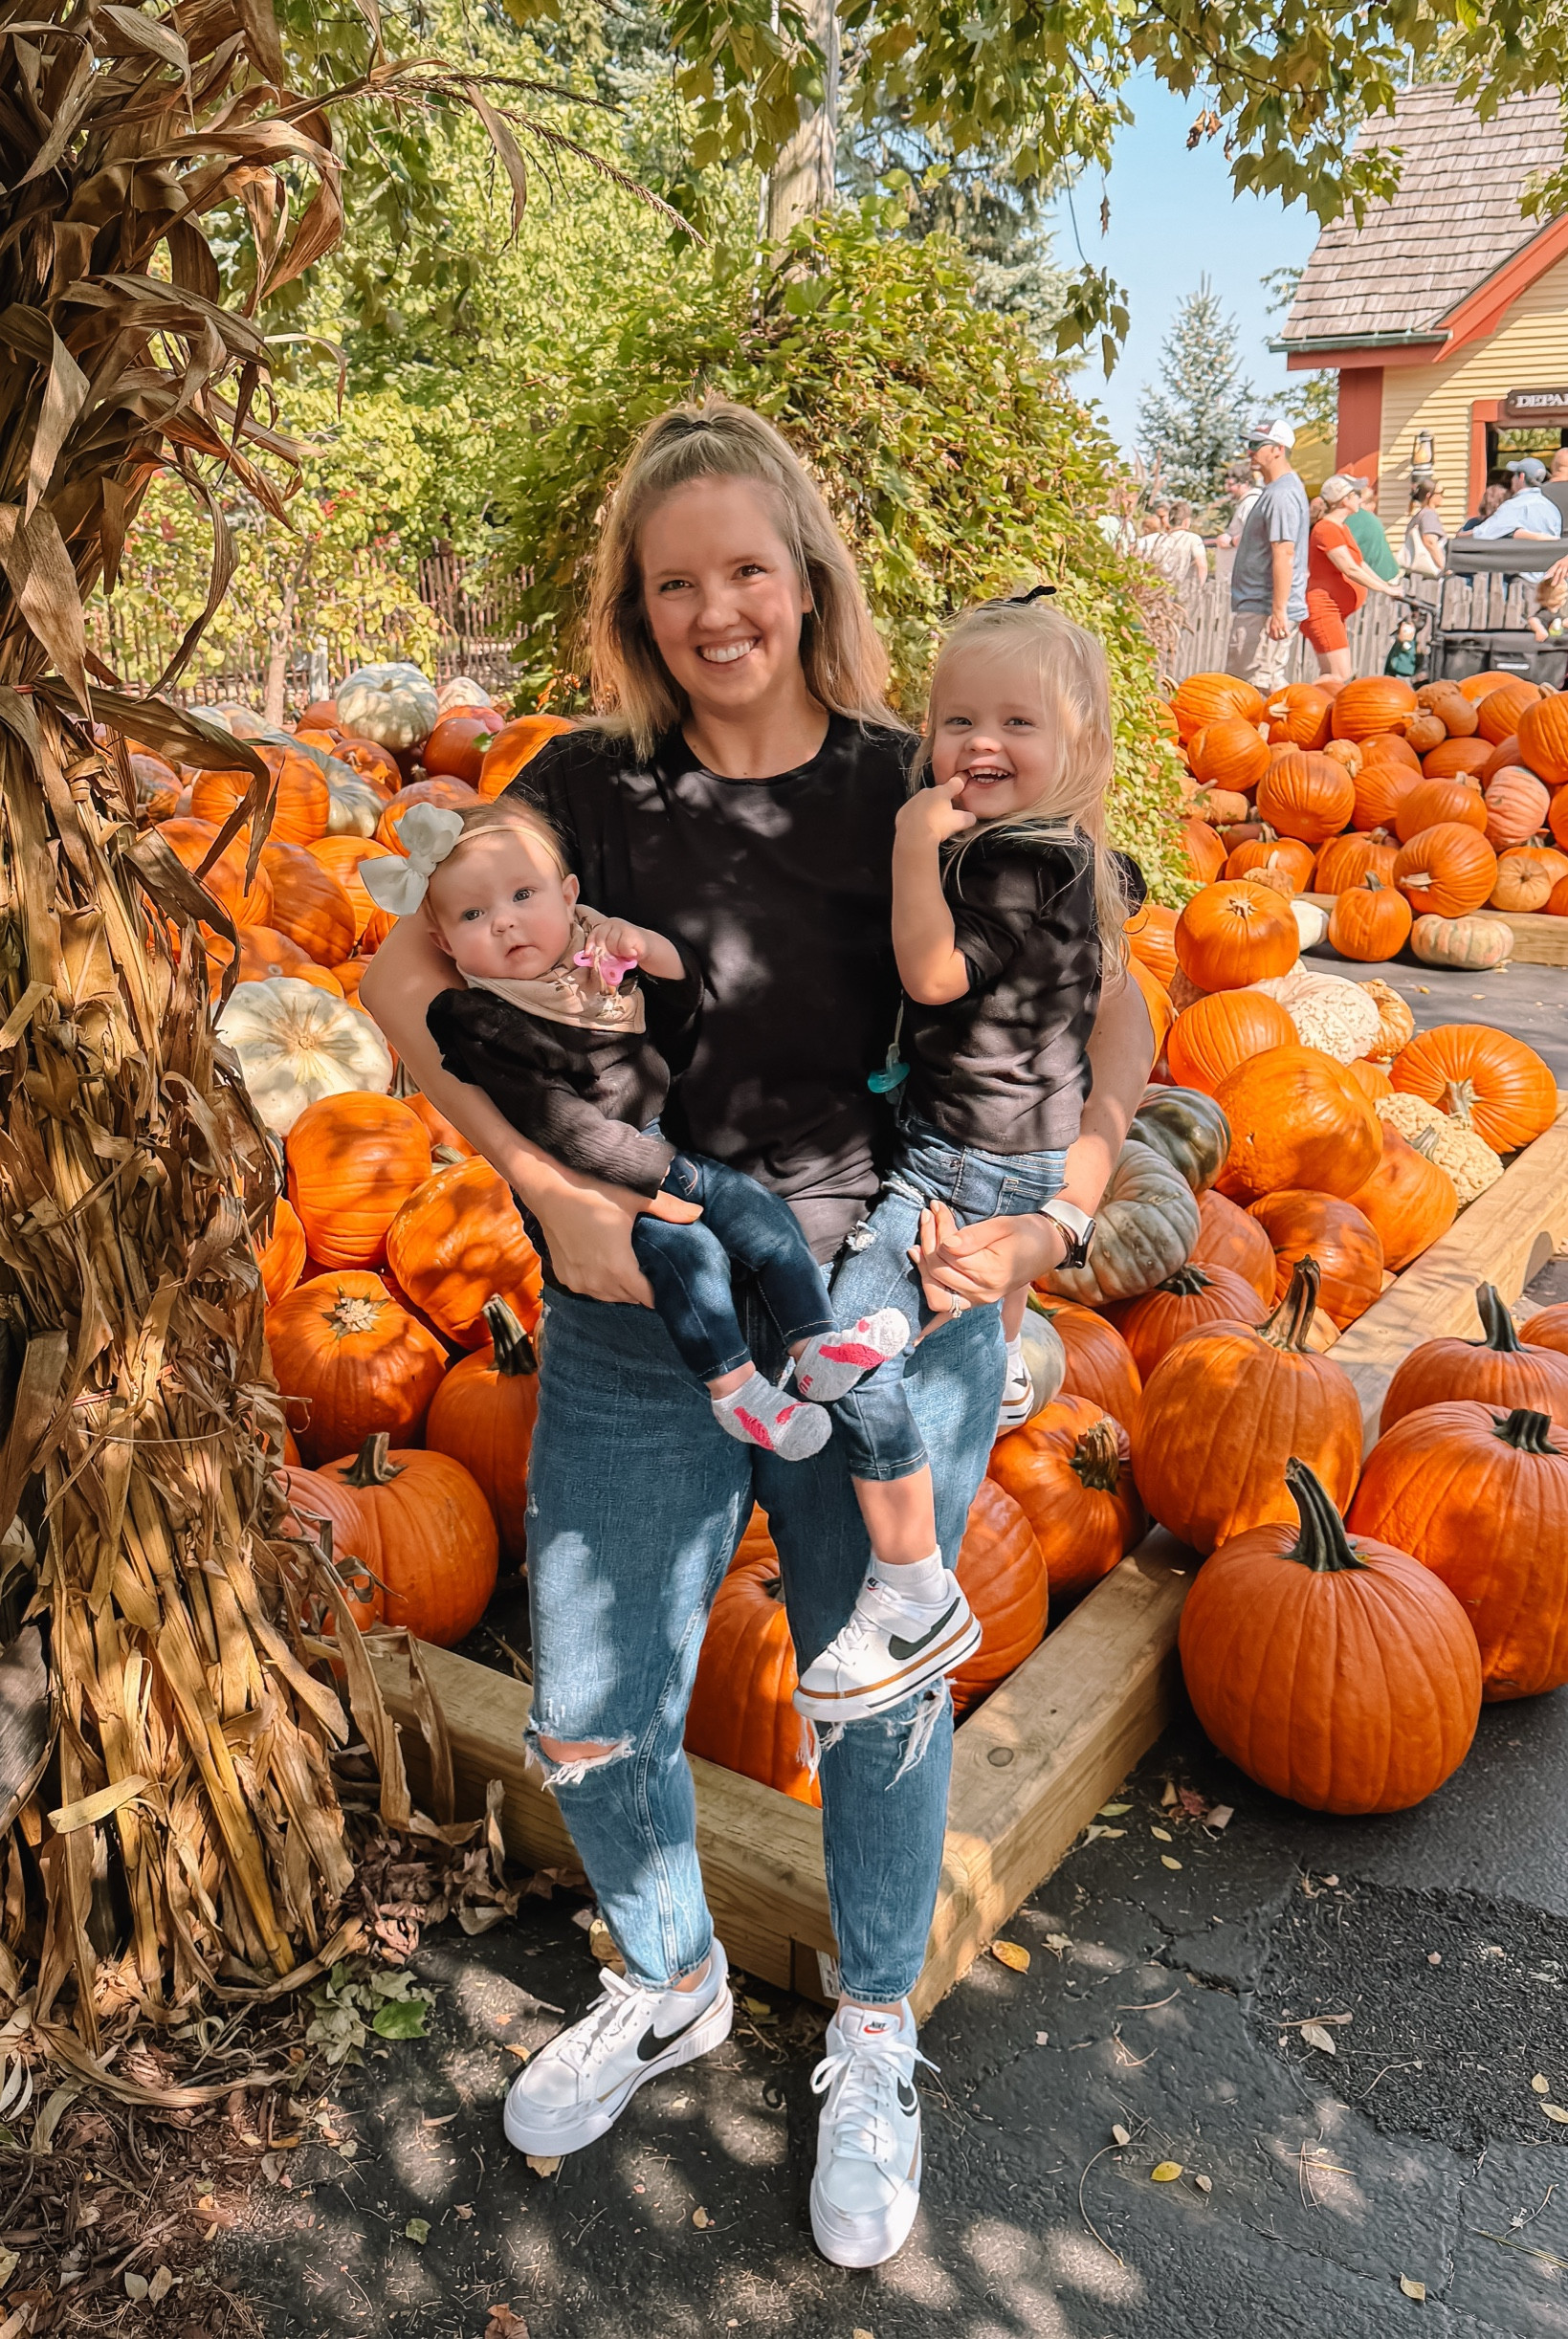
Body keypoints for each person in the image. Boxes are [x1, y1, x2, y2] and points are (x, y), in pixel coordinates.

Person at [358, 397, 1156, 2270]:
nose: (718, 610)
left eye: (747, 570)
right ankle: (670, 1976)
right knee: (590, 1698)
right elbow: (402, 974)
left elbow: (1106, 1006)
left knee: (872, 1688)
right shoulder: (582, 783)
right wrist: (545, 1191)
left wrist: (1051, 1207)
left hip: (879, 1303)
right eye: (674, 582)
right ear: (639, 610)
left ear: (806, 575)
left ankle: (870, 2031)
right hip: (642, 1301)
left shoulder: (919, 781)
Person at [792, 593, 1135, 1724]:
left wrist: (907, 843)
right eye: (955, 722)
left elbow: (933, 977)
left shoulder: (1008, 867)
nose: (978, 745)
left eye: (1015, 725)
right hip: (1016, 1156)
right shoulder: (1085, 859)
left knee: (847, 1348)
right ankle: (998, 1365)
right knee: (928, 1337)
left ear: (1077, 748)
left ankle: (912, 1588)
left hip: (965, 1164)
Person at [369, 797, 909, 1462]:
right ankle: (738, 1392)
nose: (505, 921)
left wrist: (652, 953)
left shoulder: (587, 957)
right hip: (588, 1172)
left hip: (650, 1144)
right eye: (474, 915)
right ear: (445, 944)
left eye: (521, 894)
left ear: (568, 895)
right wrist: (656, 1173)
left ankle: (814, 1345)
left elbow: (678, 1018)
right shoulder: (482, 1017)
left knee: (761, 1217)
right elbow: (554, 1121)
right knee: (692, 1256)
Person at [1225, 417, 1310, 693]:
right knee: (1261, 690)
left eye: (1257, 444)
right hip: (1262, 608)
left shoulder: (1282, 494)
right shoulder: (1276, 491)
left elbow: (1284, 553)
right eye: (1249, 444)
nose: (1250, 450)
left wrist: (1278, 611)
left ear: (1278, 449)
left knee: (1249, 692)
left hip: (1263, 611)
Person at [1302, 474, 1403, 680]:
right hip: (1323, 610)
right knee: (1339, 674)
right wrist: (1386, 589)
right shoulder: (1326, 529)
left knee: (1333, 675)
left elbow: (1360, 564)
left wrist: (1385, 583)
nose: (1360, 498)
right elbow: (1349, 569)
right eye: (1356, 494)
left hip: (1334, 611)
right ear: (1344, 500)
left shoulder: (1342, 527)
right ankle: (1303, 708)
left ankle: (1316, 709)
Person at [1470, 455, 1562, 541]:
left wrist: (1460, 536)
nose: (1512, 479)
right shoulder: (1552, 509)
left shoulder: (1513, 506)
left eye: (1514, 475)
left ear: (1521, 476)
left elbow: (1481, 534)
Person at [1134, 499, 1207, 602]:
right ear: (1186, 522)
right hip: (1185, 594)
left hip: (1160, 594)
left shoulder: (1159, 540)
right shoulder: (1192, 539)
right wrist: (1200, 587)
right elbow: (1201, 565)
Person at [1341, 478, 1399, 582]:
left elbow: (1344, 549)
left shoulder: (1356, 518)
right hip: (1388, 574)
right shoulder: (1371, 518)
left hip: (1376, 578)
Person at [1401, 482, 1446, 578]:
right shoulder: (1429, 515)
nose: (1442, 496)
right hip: (1428, 574)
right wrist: (1443, 565)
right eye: (1440, 493)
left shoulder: (1419, 515)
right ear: (1429, 495)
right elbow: (1429, 541)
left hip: (1416, 573)